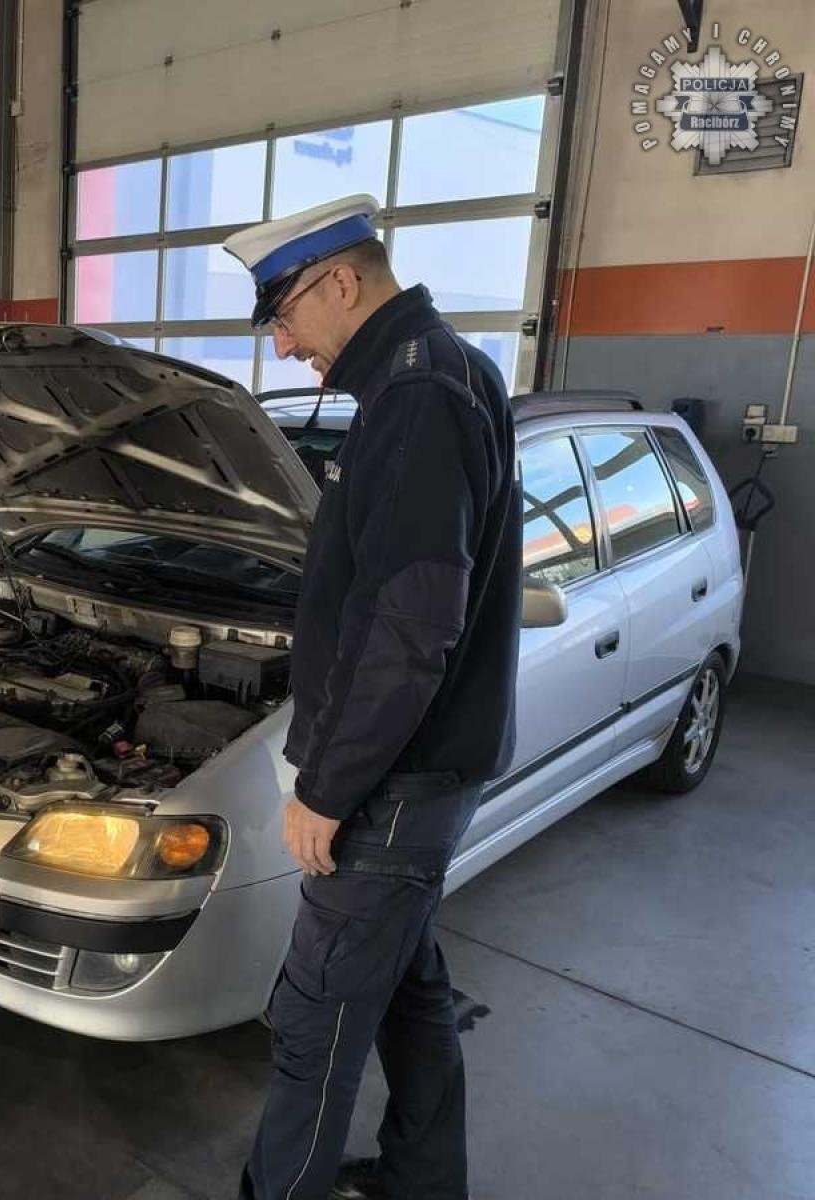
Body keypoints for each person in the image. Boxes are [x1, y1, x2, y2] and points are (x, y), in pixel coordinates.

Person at [222, 195, 523, 1200]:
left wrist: (329, 788)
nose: (282, 342)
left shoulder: (418, 396)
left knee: (314, 1021)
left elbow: (409, 626)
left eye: (283, 314)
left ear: (340, 282)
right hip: (425, 772)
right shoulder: (445, 372)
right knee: (405, 992)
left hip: (393, 786)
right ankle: (423, 1181)